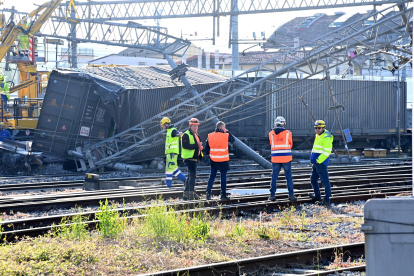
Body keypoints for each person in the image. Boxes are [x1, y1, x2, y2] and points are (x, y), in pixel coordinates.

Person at [268, 116, 297, 202]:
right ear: (284, 124)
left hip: (275, 159)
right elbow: (290, 144)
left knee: (274, 177)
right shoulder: (288, 133)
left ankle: (272, 195)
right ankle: (291, 195)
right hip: (286, 158)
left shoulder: (271, 134)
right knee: (288, 177)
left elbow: (271, 143)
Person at [205, 121, 235, 200]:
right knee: (223, 177)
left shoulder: (210, 136)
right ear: (221, 127)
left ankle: (208, 194)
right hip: (223, 160)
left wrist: (211, 155)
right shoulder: (226, 135)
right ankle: (223, 194)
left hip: (213, 160)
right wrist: (227, 131)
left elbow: (206, 149)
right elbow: (233, 139)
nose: (225, 129)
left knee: (212, 177)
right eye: (224, 127)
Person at [309, 120, 333, 206]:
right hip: (316, 162)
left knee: (325, 181)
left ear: (323, 128)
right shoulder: (319, 135)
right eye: (315, 128)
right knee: (313, 179)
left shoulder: (326, 137)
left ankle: (327, 199)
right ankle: (317, 196)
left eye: (319, 128)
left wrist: (318, 160)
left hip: (321, 163)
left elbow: (327, 152)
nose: (317, 130)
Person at [180, 118, 204, 200]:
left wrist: (200, 148)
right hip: (189, 159)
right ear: (190, 126)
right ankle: (192, 193)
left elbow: (197, 146)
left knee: (190, 176)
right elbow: (185, 146)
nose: (196, 128)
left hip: (194, 159)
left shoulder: (197, 135)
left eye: (197, 126)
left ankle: (186, 194)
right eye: (194, 126)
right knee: (192, 176)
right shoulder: (185, 135)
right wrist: (196, 145)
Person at [160, 117, 186, 188]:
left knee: (169, 169)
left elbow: (178, 133)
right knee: (174, 169)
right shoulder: (169, 131)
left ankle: (168, 185)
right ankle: (185, 180)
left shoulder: (172, 130)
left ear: (166, 124)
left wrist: (180, 134)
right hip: (171, 153)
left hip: (172, 153)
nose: (163, 127)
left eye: (163, 126)